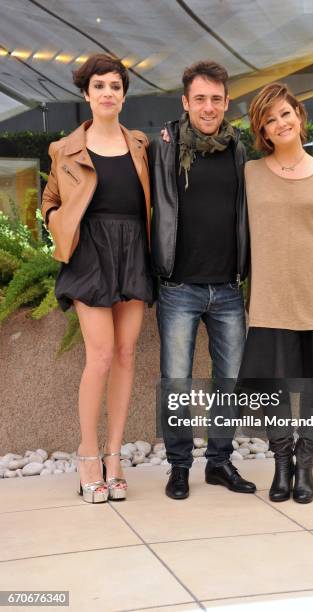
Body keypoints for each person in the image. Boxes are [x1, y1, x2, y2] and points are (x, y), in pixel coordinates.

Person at [238, 82, 313, 503]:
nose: (279, 123)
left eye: (284, 113)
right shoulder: (250, 173)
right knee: (273, 390)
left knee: (310, 390)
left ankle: (305, 467)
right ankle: (281, 464)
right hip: (270, 302)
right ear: (263, 132)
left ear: (299, 116)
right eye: (269, 120)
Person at [41, 54, 153, 503]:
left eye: (115, 86)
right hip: (90, 253)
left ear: (124, 95)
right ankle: (88, 453)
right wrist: (57, 223)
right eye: (100, 86)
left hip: (134, 251)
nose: (108, 93)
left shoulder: (141, 144)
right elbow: (50, 199)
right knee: (101, 355)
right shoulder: (64, 149)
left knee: (127, 353)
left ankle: (114, 454)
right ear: (86, 94)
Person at [149, 60, 256, 499]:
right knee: (176, 383)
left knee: (229, 381)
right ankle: (178, 467)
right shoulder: (164, 147)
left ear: (227, 102)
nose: (208, 107)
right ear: (185, 102)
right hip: (178, 287)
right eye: (200, 99)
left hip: (228, 288)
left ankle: (219, 463)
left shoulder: (239, 149)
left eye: (216, 99)